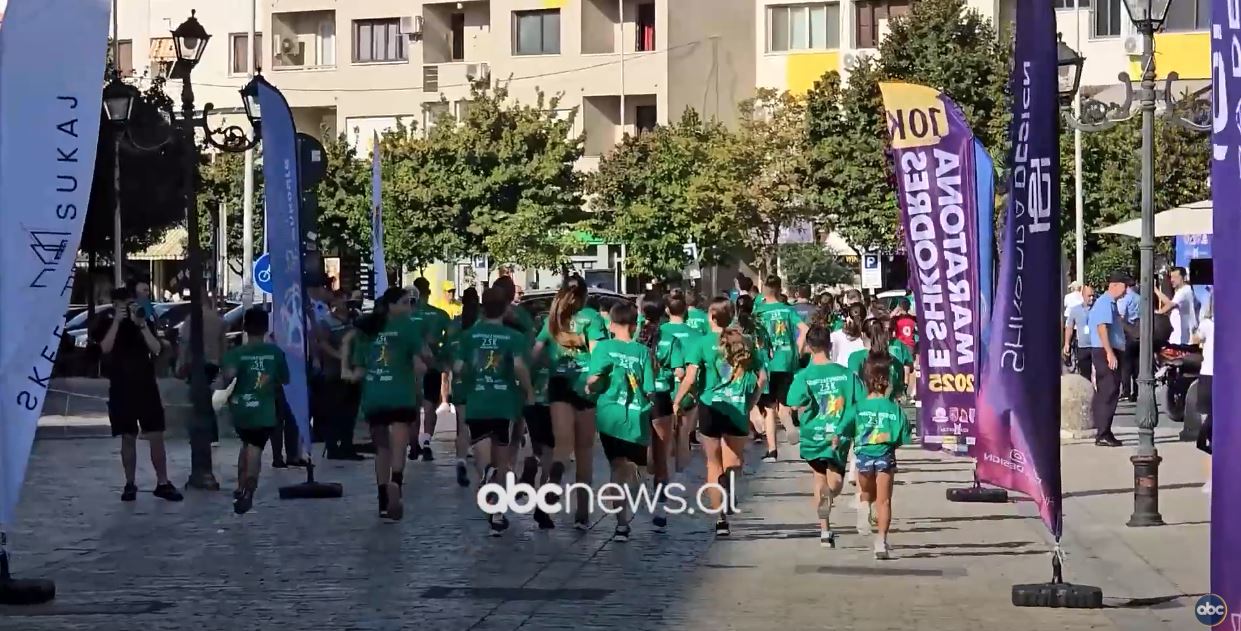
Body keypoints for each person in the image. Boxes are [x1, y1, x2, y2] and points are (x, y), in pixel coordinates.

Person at [673, 298, 767, 537]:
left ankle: (720, 519)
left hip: (710, 406)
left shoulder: (701, 343)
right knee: (734, 463)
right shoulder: (744, 342)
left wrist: (678, 401)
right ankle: (730, 483)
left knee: (712, 464)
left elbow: (691, 377)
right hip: (736, 407)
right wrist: (751, 402)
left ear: (712, 317)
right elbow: (762, 378)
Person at [455, 288, 536, 536]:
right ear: (505, 309)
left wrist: (470, 379)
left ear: (482, 308)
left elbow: (458, 367)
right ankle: (497, 514)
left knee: (481, 448)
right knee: (502, 455)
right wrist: (529, 391)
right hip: (504, 401)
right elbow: (521, 367)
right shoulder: (513, 337)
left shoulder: (469, 336)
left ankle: (487, 477)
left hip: (477, 400)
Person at [343, 287, 428, 521]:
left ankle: (382, 500)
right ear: (391, 306)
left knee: (382, 449)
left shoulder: (367, 331)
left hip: (374, 395)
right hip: (400, 394)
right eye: (405, 302)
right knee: (399, 446)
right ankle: (396, 485)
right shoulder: (408, 327)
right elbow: (424, 358)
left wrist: (348, 374)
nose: (409, 307)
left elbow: (359, 369)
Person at [94, 286, 183, 503]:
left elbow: (156, 349)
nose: (127, 307)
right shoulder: (108, 322)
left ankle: (162, 482)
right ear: (114, 305)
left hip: (146, 386)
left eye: (130, 303)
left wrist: (142, 324)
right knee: (127, 436)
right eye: (122, 304)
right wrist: (117, 320)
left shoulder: (143, 321)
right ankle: (130, 483)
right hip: (121, 387)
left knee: (156, 435)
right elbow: (104, 348)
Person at [533, 275, 608, 529]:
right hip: (584, 385)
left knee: (562, 448)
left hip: (558, 385)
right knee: (585, 451)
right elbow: (598, 353)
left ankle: (549, 493)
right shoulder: (593, 317)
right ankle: (582, 514)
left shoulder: (553, 318)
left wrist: (544, 369)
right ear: (586, 294)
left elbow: (536, 351)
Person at [586, 302, 657, 541]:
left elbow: (594, 380)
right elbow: (649, 388)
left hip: (609, 416)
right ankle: (634, 494)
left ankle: (622, 523)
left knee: (616, 466)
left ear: (613, 324)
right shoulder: (642, 352)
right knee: (636, 466)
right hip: (637, 417)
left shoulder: (604, 348)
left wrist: (590, 385)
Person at [785, 325, 855, 549]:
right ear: (830, 345)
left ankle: (825, 530)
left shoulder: (804, 375)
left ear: (808, 346)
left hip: (812, 436)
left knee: (819, 478)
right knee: (834, 482)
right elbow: (858, 403)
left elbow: (793, 403)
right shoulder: (846, 374)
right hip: (838, 436)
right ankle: (826, 515)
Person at [215, 308, 289, 515]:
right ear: (266, 328)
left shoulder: (236, 354)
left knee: (247, 444)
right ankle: (249, 488)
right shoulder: (275, 353)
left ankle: (240, 486)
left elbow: (227, 377)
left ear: (245, 327)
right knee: (255, 448)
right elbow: (285, 379)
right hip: (264, 410)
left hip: (240, 410)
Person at [850, 358, 910, 560]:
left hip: (864, 454)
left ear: (865, 381)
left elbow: (845, 427)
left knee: (866, 493)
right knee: (884, 501)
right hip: (885, 455)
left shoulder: (858, 407)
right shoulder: (894, 408)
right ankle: (881, 542)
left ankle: (864, 507)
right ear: (887, 382)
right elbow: (903, 435)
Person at [754, 275, 809, 462]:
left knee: (769, 407)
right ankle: (789, 425)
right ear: (779, 289)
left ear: (764, 289)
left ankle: (772, 451)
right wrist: (798, 350)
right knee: (783, 402)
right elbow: (805, 329)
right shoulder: (787, 310)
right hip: (786, 359)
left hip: (767, 362)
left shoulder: (759, 312)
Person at [410, 277, 453, 462]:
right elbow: (451, 339)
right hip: (433, 363)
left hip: (410, 365)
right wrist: (441, 353)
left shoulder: (407, 316)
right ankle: (426, 440)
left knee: (413, 405)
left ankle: (413, 445)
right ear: (428, 292)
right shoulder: (440, 315)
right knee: (429, 405)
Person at [662, 289, 703, 474]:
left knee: (664, 437)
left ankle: (664, 477)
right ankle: (681, 476)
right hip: (689, 389)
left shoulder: (660, 332)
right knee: (684, 435)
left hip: (664, 389)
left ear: (667, 310)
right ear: (686, 309)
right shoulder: (696, 335)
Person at [321, 291, 365, 460]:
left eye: (347, 300)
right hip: (334, 372)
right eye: (342, 300)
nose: (345, 303)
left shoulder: (355, 319)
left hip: (354, 371)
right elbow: (322, 343)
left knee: (350, 411)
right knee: (335, 411)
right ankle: (332, 447)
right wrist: (339, 355)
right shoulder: (327, 321)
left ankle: (347, 445)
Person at [1089, 272, 1129, 447]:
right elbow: (1102, 328)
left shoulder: (1109, 303)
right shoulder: (1105, 302)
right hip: (1106, 351)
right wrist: (1110, 353)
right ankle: (1103, 433)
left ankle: (1104, 430)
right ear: (1114, 285)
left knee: (1108, 390)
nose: (1127, 290)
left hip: (1107, 350)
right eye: (1124, 285)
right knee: (1109, 390)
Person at [448, 287, 481, 487]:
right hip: (480, 382)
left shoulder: (455, 326)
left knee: (462, 426)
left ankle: (461, 459)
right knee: (480, 428)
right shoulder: (481, 327)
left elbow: (447, 353)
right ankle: (483, 469)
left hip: (459, 382)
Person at [847, 318, 913, 401]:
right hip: (888, 408)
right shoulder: (894, 360)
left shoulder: (855, 357)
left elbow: (853, 385)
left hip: (863, 407)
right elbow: (899, 389)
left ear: (862, 335)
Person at [1193, 301, 1214, 493]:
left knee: (1208, 430)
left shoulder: (1207, 324)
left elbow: (1194, 339)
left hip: (1208, 376)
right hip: (1229, 377)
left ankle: (1210, 478)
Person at [1156, 266, 1199, 346]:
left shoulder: (1184, 291)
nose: (1172, 280)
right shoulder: (1183, 291)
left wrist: (1157, 313)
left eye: (1175, 277)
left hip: (1181, 341)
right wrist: (1156, 291)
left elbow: (1170, 305)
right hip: (1180, 339)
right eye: (1171, 277)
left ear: (1183, 277)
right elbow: (1169, 302)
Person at [1063, 285, 1095, 381]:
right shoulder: (1075, 310)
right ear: (1083, 296)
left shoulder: (1097, 308)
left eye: (1093, 295)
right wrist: (1067, 343)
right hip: (1082, 347)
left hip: (1097, 346)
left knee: (1099, 375)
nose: (1092, 298)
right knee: (1085, 375)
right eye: (1089, 296)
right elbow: (1069, 327)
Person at [1117, 281, 1140, 401]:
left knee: (1126, 364)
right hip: (1140, 332)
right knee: (1138, 364)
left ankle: (1126, 391)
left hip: (1128, 333)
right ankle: (1136, 391)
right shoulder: (1140, 298)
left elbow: (1121, 316)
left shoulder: (1125, 299)